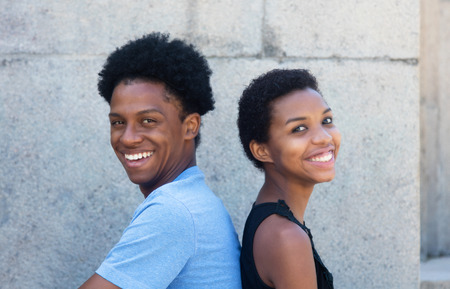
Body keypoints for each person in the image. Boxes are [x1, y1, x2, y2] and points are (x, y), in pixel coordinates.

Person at [79, 32, 241, 289]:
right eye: (118, 122)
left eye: (148, 121)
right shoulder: (194, 199)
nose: (128, 138)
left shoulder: (173, 211)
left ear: (190, 126)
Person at [238, 69, 340, 289]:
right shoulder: (286, 237)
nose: (324, 137)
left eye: (327, 120)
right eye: (299, 128)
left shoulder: (273, 221)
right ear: (262, 151)